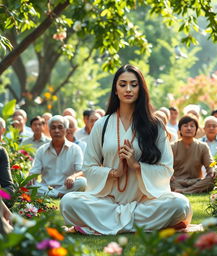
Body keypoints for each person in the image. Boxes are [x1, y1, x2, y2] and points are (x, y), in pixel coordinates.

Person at [60, 64, 191, 235]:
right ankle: (142, 225)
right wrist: (114, 173)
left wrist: (136, 166)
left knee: (180, 205)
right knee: (68, 202)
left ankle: (105, 224)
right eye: (123, 84)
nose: (128, 89)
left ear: (140, 89)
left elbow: (167, 169)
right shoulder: (102, 124)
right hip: (109, 201)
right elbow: (89, 167)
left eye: (133, 84)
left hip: (145, 202)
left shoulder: (155, 125)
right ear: (115, 89)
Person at [28, 115, 87, 198]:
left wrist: (73, 177)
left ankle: (55, 194)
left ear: (66, 131)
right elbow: (35, 171)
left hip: (66, 186)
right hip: (46, 187)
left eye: (60, 127)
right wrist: (31, 176)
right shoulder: (42, 150)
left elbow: (81, 171)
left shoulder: (75, 149)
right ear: (49, 131)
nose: (56, 130)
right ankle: (61, 195)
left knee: (82, 182)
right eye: (53, 128)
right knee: (29, 184)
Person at [170, 115, 217, 194]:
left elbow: (210, 165)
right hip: (177, 182)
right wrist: (169, 176)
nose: (189, 128)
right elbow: (165, 166)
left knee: (213, 179)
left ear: (196, 130)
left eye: (192, 126)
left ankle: (185, 191)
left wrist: (213, 171)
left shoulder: (202, 146)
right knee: (165, 182)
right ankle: (190, 190)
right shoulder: (172, 146)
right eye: (185, 126)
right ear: (179, 129)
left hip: (196, 181)